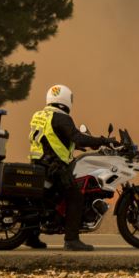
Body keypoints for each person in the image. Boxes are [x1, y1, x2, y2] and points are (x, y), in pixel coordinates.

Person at [26, 84, 116, 251]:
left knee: (41, 201)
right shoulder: (62, 118)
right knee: (76, 197)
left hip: (39, 163)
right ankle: (72, 240)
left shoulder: (40, 115)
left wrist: (74, 145)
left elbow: (51, 137)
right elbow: (78, 137)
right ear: (66, 100)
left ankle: (31, 237)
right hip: (54, 167)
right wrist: (103, 140)